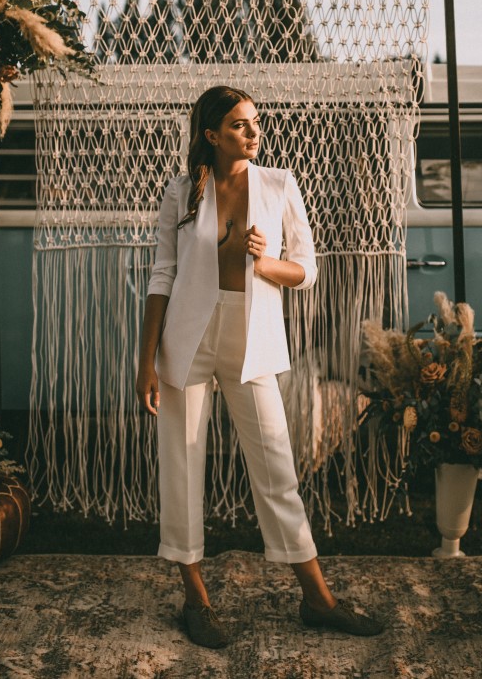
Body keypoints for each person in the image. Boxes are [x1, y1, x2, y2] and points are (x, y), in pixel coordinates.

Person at [136, 85, 384, 649]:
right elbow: (162, 277)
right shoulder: (181, 192)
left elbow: (307, 269)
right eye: (240, 126)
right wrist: (145, 362)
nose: (253, 133)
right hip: (186, 342)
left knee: (276, 466)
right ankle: (196, 599)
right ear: (211, 135)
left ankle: (318, 600)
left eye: (254, 123)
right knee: (182, 465)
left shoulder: (279, 184)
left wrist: (266, 262)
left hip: (251, 341)